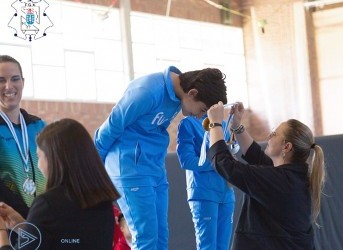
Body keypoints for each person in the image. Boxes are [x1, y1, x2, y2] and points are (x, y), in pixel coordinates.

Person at [94, 66, 227, 250]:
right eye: (202, 109)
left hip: (154, 170)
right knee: (146, 238)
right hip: (129, 170)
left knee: (161, 238)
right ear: (193, 92)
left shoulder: (178, 98)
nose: (199, 116)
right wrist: (95, 171)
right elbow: (109, 129)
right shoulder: (147, 91)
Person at [206, 101, 326, 250]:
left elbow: (223, 163)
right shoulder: (293, 176)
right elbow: (255, 156)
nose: (269, 135)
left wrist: (214, 124)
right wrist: (236, 126)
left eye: (274, 133)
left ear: (286, 147)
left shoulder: (280, 180)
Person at [0, 118, 120, 250]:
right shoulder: (103, 203)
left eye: (39, 157)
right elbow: (63, 238)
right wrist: (23, 225)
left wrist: (2, 234)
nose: (38, 166)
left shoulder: (48, 204)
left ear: (54, 160)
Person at [176, 115, 235, 250]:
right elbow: (186, 160)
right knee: (207, 246)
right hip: (203, 192)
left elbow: (232, 151)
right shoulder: (188, 123)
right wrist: (218, 162)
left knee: (223, 246)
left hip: (226, 192)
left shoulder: (223, 124)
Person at [0, 55, 46, 218]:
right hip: (9, 221)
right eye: (1, 80)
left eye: (15, 79)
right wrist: (25, 217)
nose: (8, 86)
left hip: (45, 219)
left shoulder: (39, 125)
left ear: (23, 82)